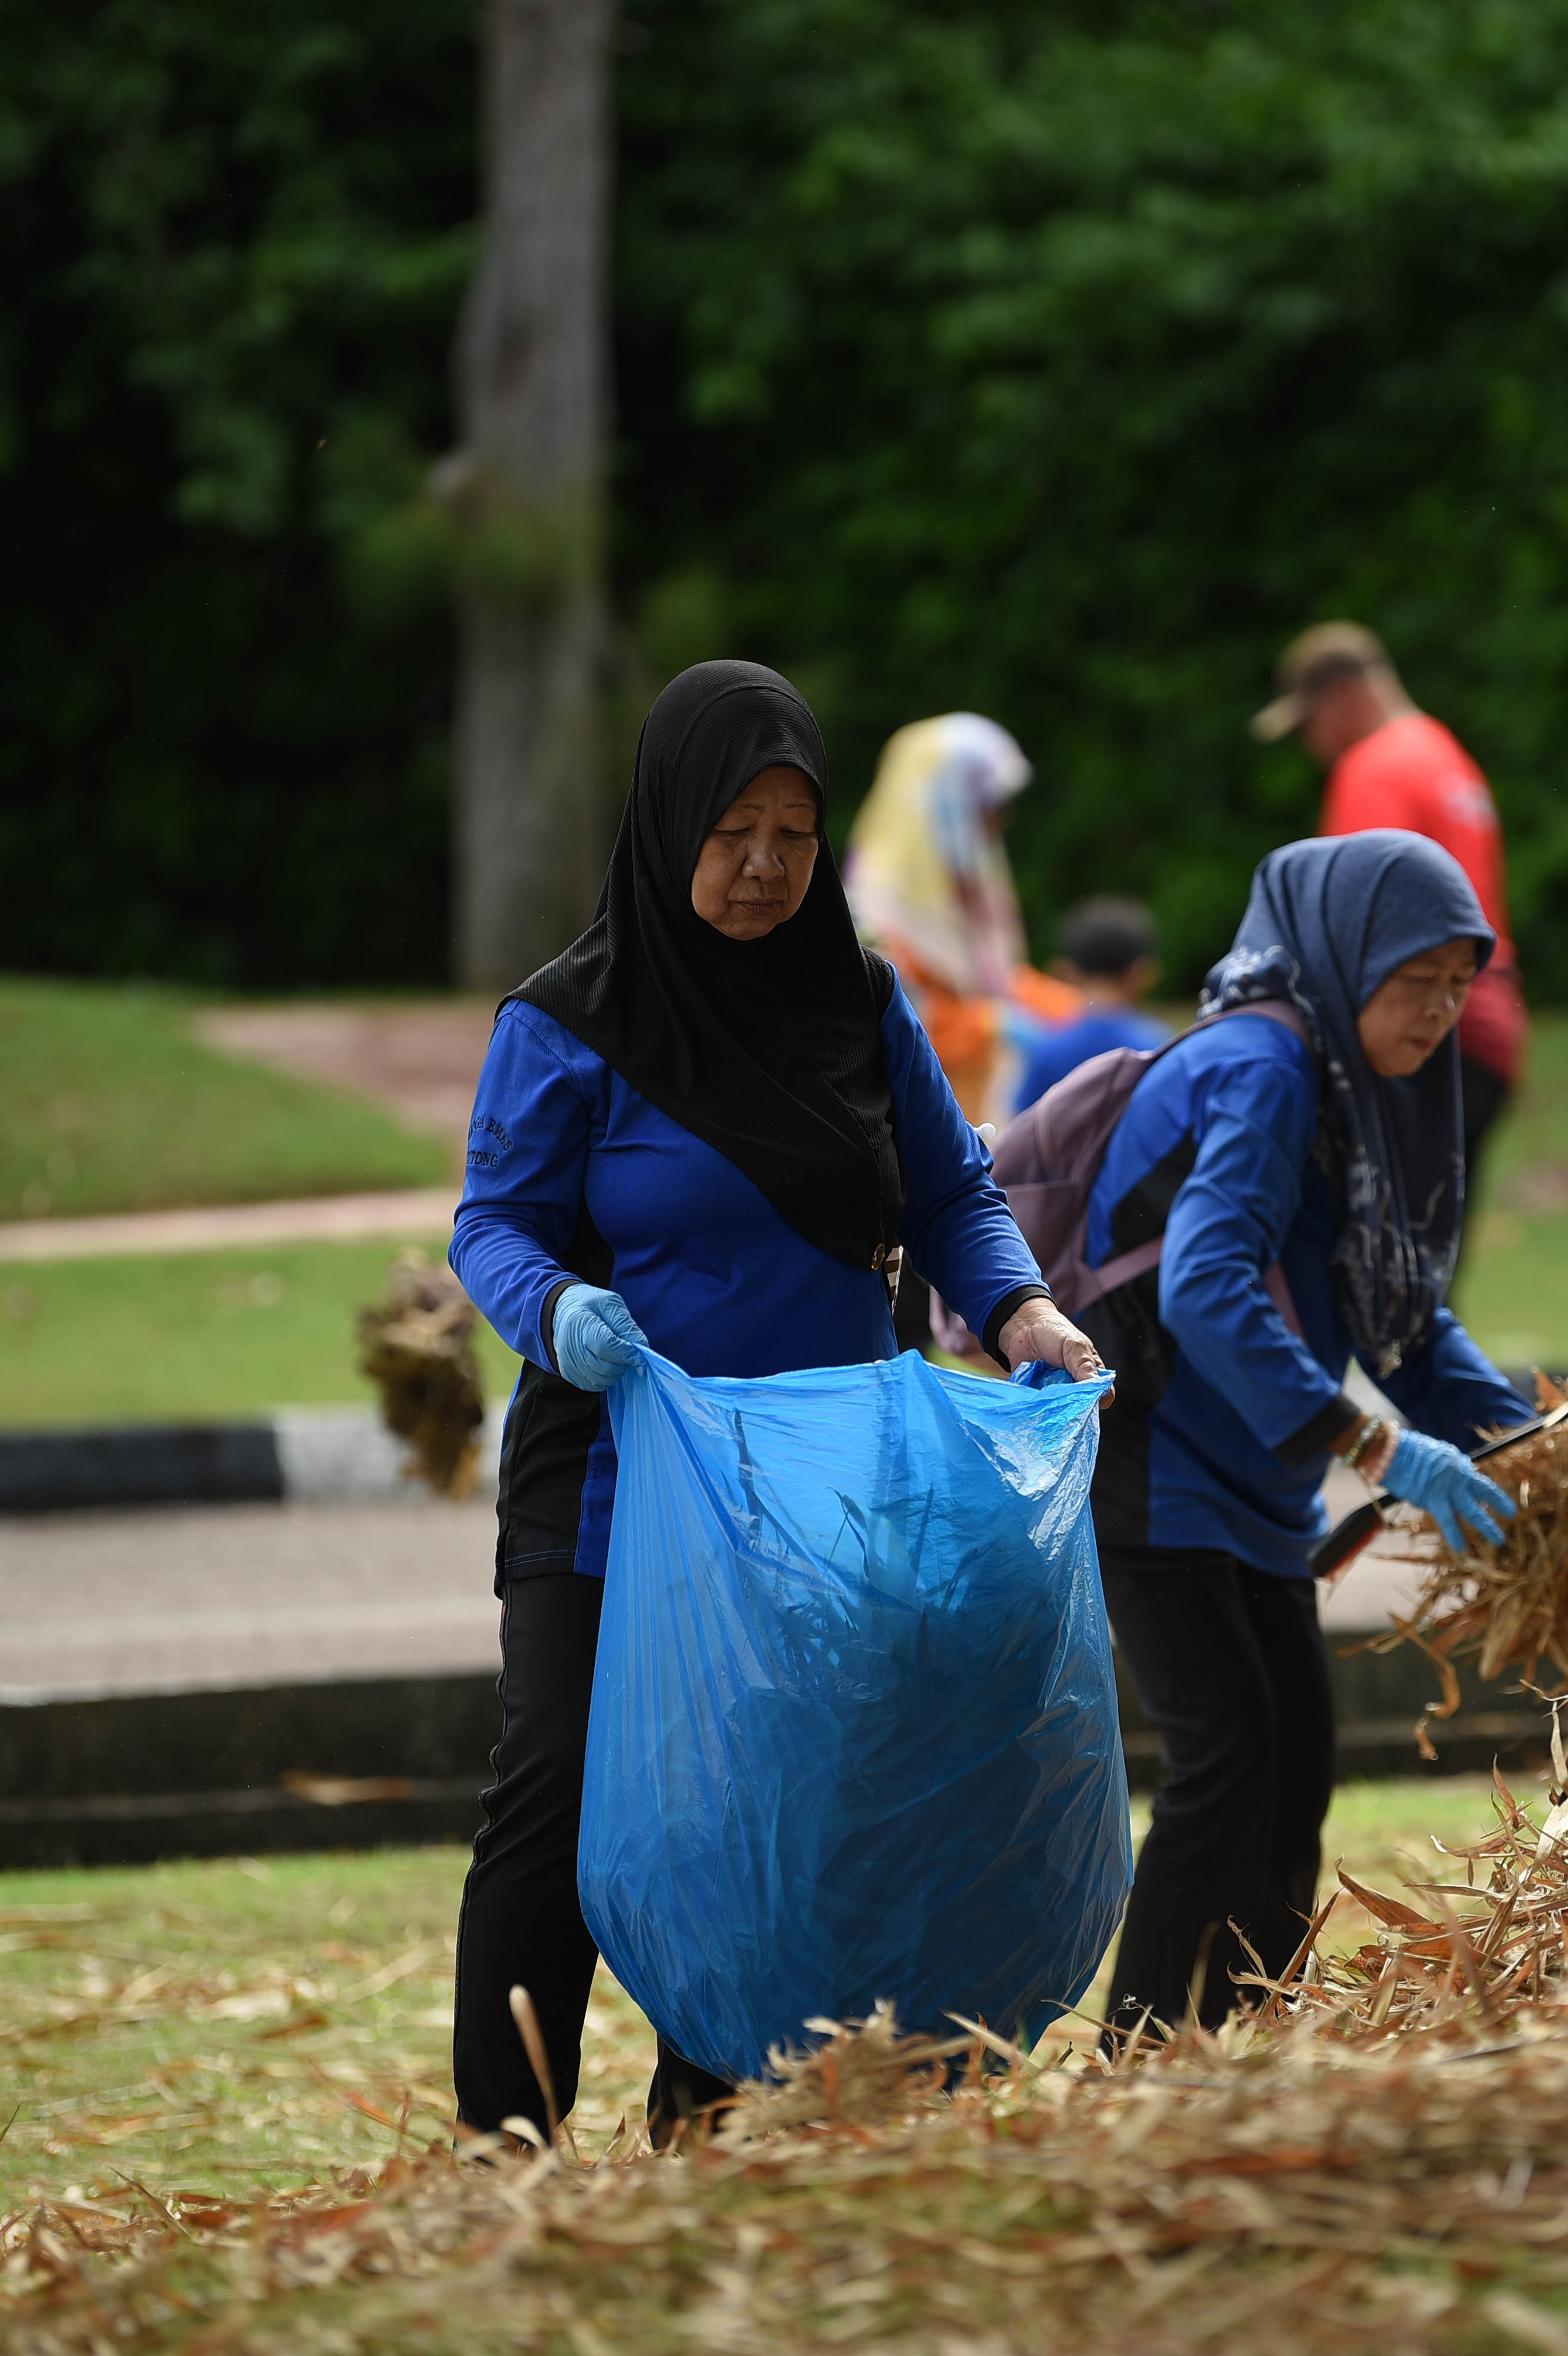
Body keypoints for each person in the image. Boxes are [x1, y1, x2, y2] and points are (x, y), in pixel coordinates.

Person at [445, 660, 1103, 2149]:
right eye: (731, 830)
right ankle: (506, 2152)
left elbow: (949, 1192)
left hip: (820, 1492)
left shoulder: (856, 1002)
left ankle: (716, 2130)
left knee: (784, 1807)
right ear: (667, 822)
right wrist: (557, 1311)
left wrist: (1022, 1309)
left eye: (794, 834)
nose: (762, 864)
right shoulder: (568, 1020)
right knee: (558, 1794)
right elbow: (494, 1224)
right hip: (615, 1483)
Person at [1078, 830, 1526, 2031]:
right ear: (1343, 959)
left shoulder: (1351, 1078)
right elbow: (1204, 1287)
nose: (1439, 1011)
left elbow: (1396, 1315)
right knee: (1226, 1755)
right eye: (1414, 979)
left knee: (1290, 1768)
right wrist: (1377, 1448)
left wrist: (1534, 1439)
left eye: (1458, 983)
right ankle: (1140, 2061)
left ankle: (1247, 2048)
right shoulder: (1266, 1068)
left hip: (1252, 1478)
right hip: (1156, 1458)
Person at [1252, 623, 1527, 1175]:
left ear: (1343, 696)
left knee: (1373, 1228)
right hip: (1485, 1020)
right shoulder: (1443, 753)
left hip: (1422, 1029)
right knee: (1432, 1227)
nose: (1312, 744)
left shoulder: (1374, 768)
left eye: (1310, 723)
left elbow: (1353, 921)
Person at [844, 710, 1086, 1126]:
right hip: (917, 1125)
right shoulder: (873, 907)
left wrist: (1082, 1016)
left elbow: (1000, 984)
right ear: (948, 803)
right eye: (992, 804)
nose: (1002, 819)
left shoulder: (962, 886)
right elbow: (889, 1023)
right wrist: (990, 1026)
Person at [1012, 895, 1171, 1113]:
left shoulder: (1050, 1049)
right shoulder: (1158, 1046)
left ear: (1066, 971)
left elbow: (1021, 1120)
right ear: (1142, 973)